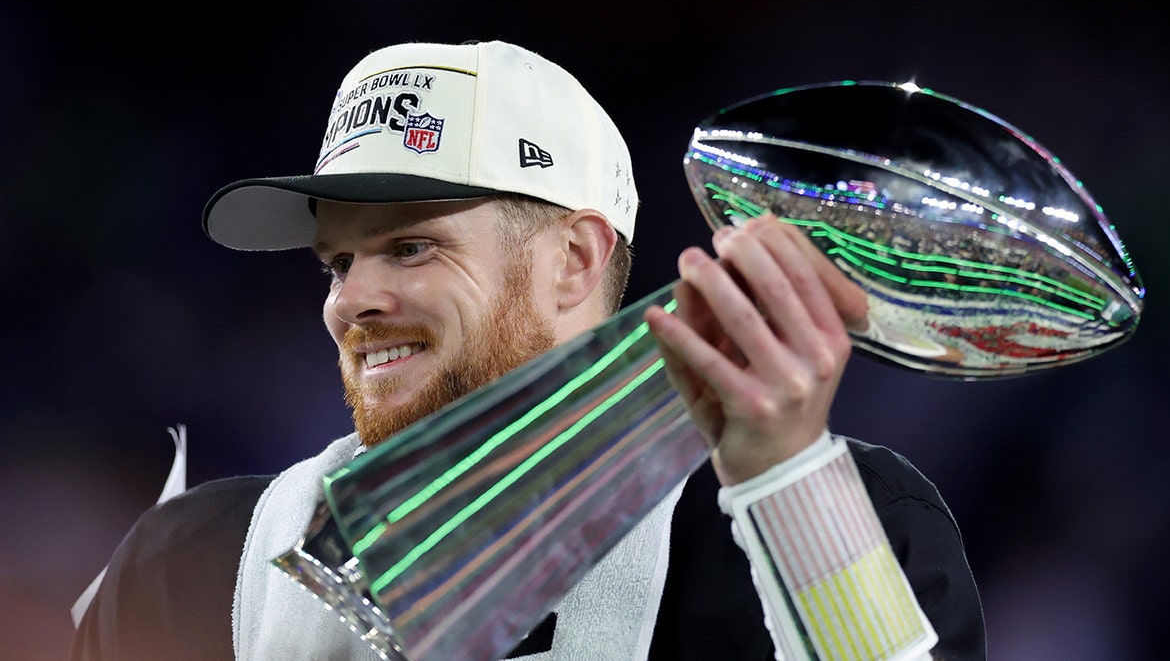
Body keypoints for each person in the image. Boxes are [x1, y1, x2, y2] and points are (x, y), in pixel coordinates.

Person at [70, 40, 985, 660]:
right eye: (338, 260)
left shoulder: (838, 525)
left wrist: (791, 488)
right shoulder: (190, 564)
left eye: (409, 245)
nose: (351, 300)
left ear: (575, 259)